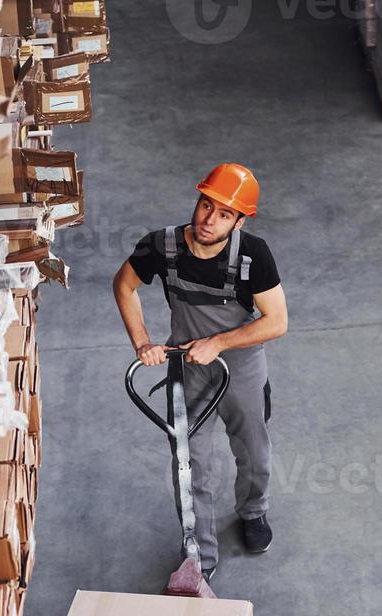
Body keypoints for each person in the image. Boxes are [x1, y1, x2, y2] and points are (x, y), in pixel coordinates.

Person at [113, 163, 288, 578]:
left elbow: (276, 321)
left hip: (241, 369)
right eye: (207, 205)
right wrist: (143, 342)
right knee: (189, 464)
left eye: (225, 214)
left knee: (252, 451)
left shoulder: (253, 255)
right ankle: (200, 555)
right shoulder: (162, 246)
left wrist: (220, 342)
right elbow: (124, 285)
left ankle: (252, 510)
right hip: (188, 368)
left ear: (240, 219)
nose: (210, 220)